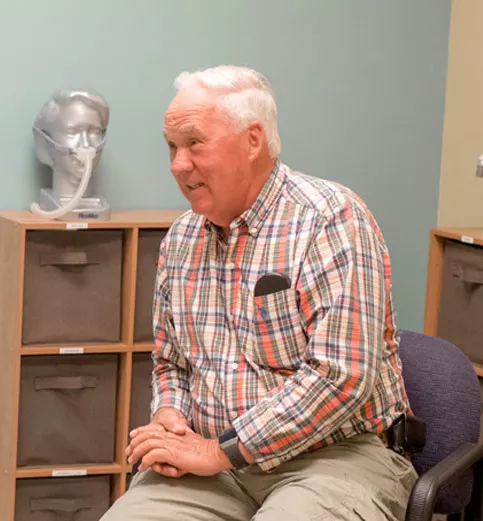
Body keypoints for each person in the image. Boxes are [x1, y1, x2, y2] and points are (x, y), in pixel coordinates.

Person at [101, 65, 416, 521]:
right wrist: (171, 412)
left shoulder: (331, 220)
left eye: (194, 144)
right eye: (171, 147)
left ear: (253, 140)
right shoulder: (181, 240)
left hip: (333, 459)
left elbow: (341, 377)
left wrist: (221, 450)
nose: (178, 165)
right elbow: (172, 363)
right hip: (213, 468)